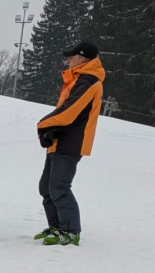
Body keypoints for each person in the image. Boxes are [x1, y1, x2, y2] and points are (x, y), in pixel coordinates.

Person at [35, 41, 104, 246]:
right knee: (46, 187)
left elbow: (69, 112)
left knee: (59, 186)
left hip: (72, 142)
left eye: (71, 57)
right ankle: (57, 227)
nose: (68, 61)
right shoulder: (77, 79)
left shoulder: (88, 81)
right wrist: (50, 130)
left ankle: (71, 231)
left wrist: (42, 125)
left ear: (81, 59)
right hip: (59, 141)